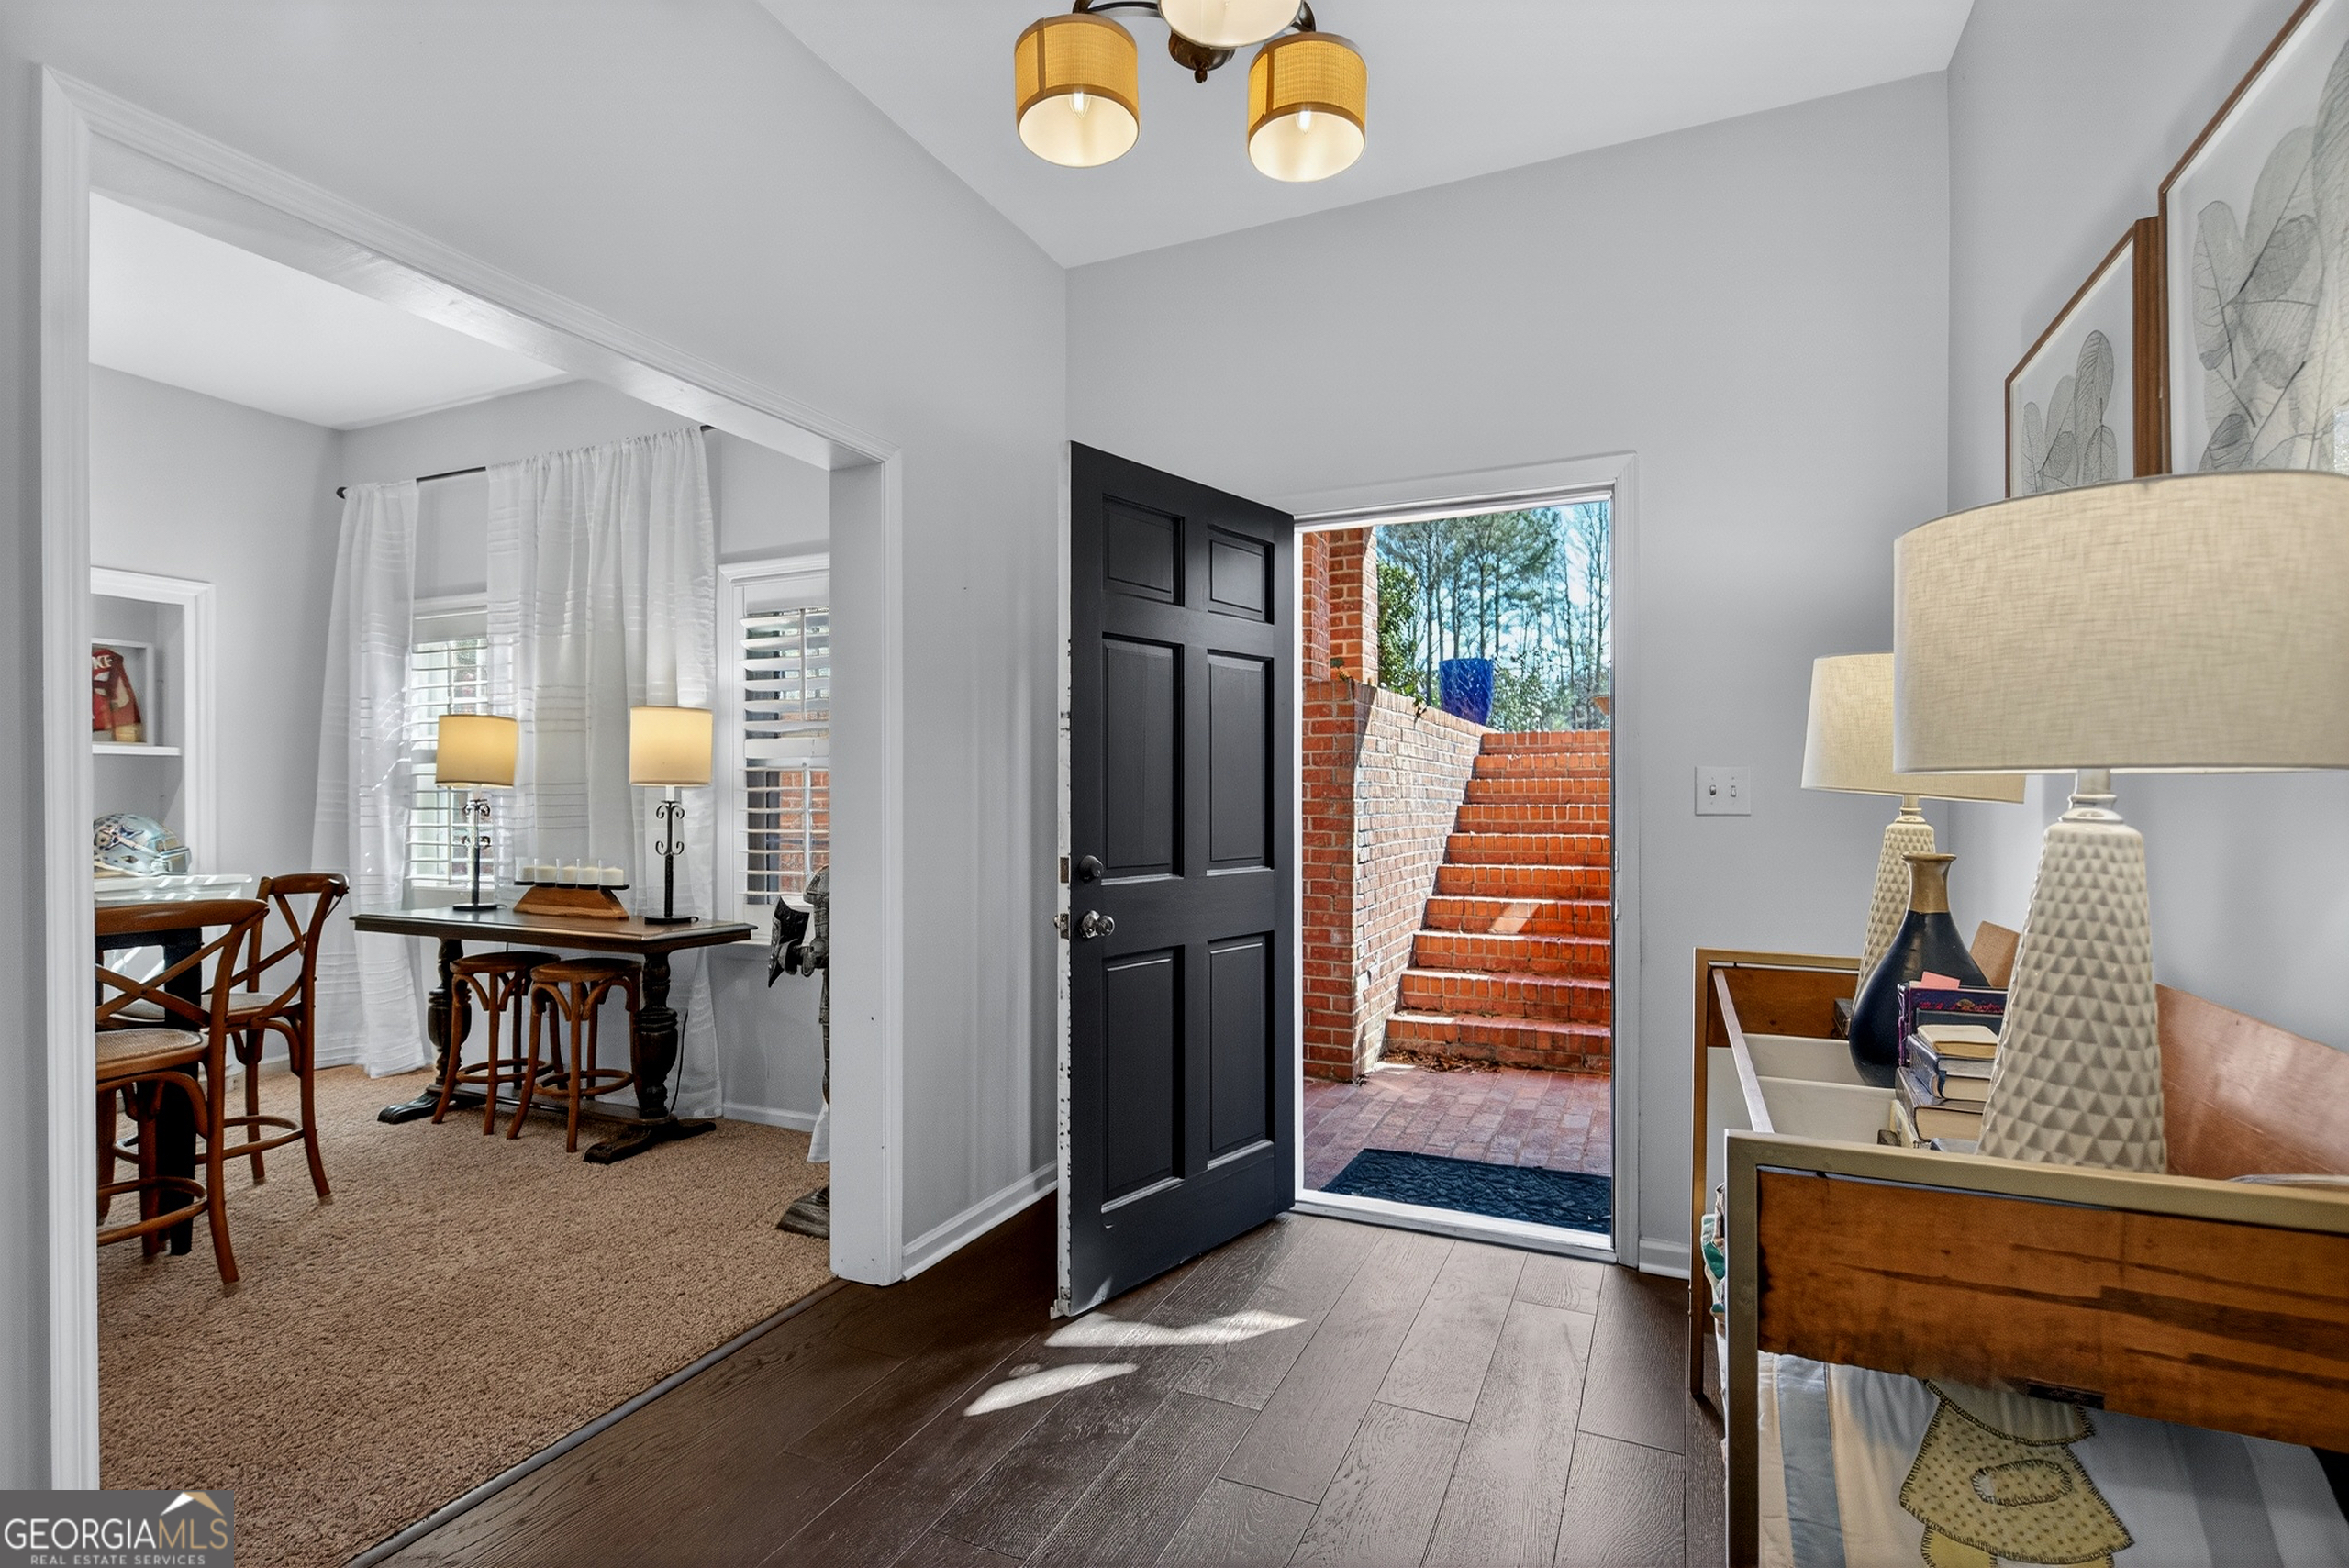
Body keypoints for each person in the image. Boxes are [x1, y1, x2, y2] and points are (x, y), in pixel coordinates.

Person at [768, 866, 829, 1237]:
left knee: (837, 1084)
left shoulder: (833, 882)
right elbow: (823, 945)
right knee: (832, 1084)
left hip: (842, 1004)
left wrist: (792, 953)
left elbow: (822, 949)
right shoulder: (829, 882)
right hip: (835, 1003)